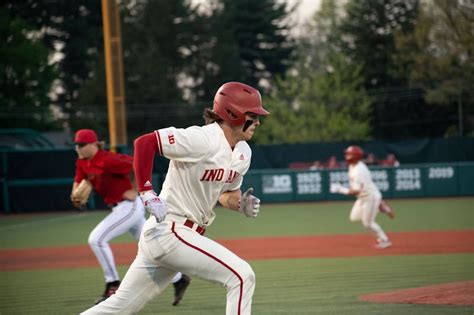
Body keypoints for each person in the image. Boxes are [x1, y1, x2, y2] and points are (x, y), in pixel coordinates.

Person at [80, 81, 268, 315]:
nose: (258, 122)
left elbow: (227, 194)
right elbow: (145, 142)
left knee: (118, 307)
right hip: (171, 231)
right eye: (253, 115)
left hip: (171, 236)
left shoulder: (243, 152)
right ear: (233, 113)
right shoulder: (203, 139)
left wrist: (240, 204)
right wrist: (147, 192)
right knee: (242, 276)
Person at [72, 129, 190, 306]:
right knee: (154, 248)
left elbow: (137, 164)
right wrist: (75, 196)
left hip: (129, 206)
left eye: (81, 144)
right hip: (117, 208)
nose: (78, 148)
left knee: (96, 239)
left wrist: (135, 189)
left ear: (93, 144)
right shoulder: (82, 162)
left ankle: (112, 284)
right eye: (76, 145)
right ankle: (179, 278)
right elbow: (78, 182)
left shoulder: (108, 159)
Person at [330, 145, 393, 249]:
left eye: (348, 154)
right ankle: (380, 206)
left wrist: (339, 189)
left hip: (370, 197)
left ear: (354, 156)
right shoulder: (354, 165)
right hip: (364, 196)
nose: (346, 155)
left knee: (367, 223)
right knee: (353, 217)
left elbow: (355, 191)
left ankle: (385, 240)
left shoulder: (358, 171)